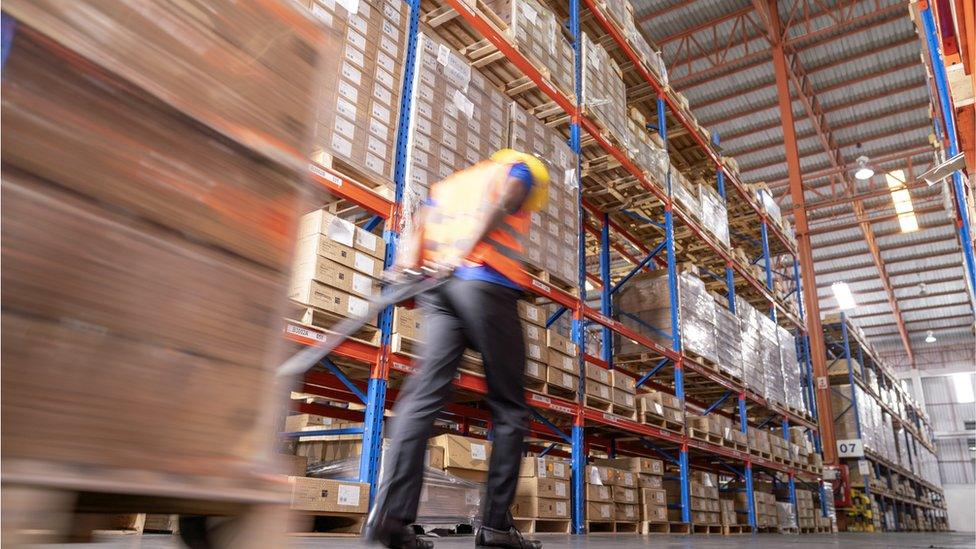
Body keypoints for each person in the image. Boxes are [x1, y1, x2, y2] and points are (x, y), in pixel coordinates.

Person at [364, 150, 551, 549]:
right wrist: (461, 250)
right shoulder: (520, 171)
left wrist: (403, 268)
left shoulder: (449, 187)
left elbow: (419, 224)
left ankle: (391, 520)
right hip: (484, 282)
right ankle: (497, 527)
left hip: (438, 290)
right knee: (510, 408)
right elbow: (502, 203)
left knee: (422, 400)